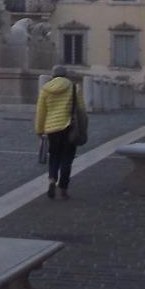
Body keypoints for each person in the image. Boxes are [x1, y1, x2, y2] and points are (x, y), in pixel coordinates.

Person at [34, 71, 85, 199]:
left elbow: (40, 112)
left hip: (52, 129)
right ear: (65, 75)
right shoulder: (74, 87)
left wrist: (39, 130)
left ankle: (52, 180)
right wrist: (83, 128)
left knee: (54, 156)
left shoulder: (45, 89)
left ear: (53, 75)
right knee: (67, 159)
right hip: (69, 128)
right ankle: (63, 189)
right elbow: (81, 110)